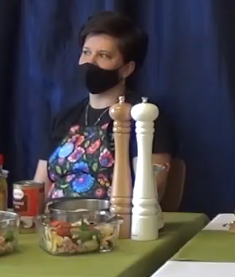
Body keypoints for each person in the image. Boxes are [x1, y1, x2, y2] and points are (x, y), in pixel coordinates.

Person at [34, 11, 176, 201]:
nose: (90, 62)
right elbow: (38, 188)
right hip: (54, 218)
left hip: (113, 218)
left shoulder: (144, 117)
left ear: (127, 69)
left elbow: (148, 194)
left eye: (103, 55)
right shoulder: (64, 119)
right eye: (86, 52)